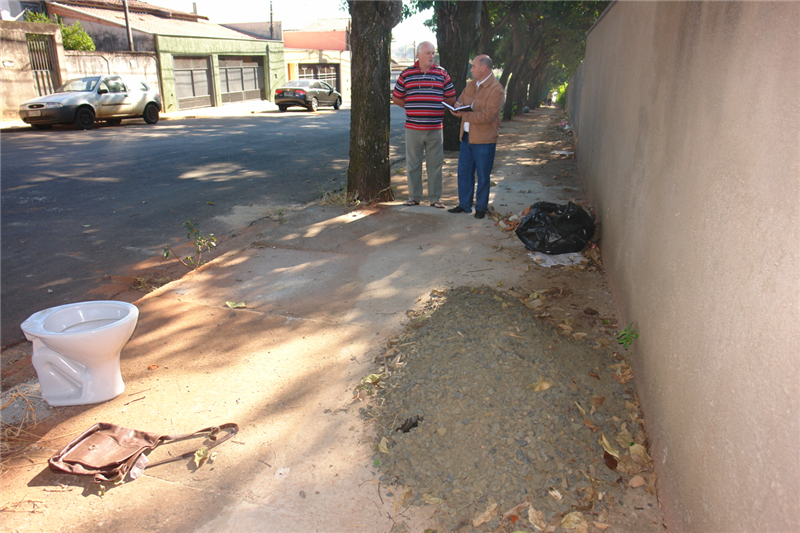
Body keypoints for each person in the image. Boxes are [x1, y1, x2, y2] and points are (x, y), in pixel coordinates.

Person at [392, 41, 457, 208]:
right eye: (427, 53)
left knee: (435, 165)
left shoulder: (442, 74)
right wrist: (412, 106)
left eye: (433, 53)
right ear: (418, 55)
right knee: (413, 164)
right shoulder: (407, 74)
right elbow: (396, 97)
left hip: (435, 129)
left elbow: (450, 96)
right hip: (413, 128)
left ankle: (435, 198)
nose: (431, 56)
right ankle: (414, 197)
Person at [446, 55, 505, 219]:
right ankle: (464, 205)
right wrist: (456, 106)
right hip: (466, 137)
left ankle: (481, 207)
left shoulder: (496, 89)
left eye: (473, 66)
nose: (471, 70)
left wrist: (463, 115)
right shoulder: (471, 85)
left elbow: (488, 115)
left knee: (483, 175)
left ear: (483, 68)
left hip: (484, 140)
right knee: (464, 173)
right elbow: (461, 100)